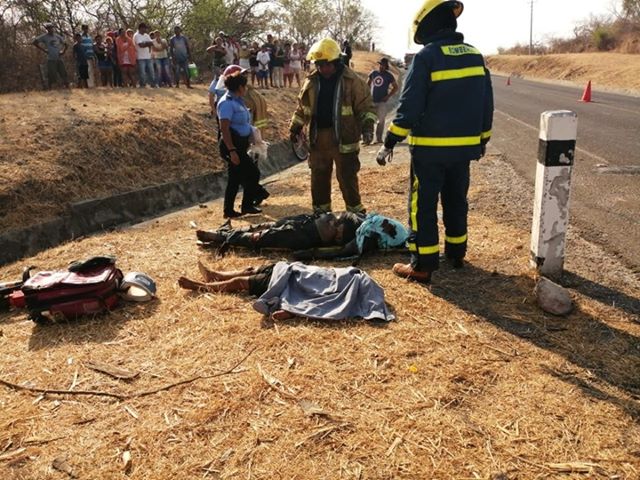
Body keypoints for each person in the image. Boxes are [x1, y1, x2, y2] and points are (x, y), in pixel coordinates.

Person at [376, 0, 494, 284]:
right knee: (456, 200)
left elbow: (409, 107)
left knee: (423, 206)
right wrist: (482, 139)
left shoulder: (427, 57)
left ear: (427, 26)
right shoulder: (475, 55)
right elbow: (486, 103)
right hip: (463, 150)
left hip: (430, 150)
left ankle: (422, 264)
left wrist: (390, 141)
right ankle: (456, 253)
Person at [289, 37, 377, 215]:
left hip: (344, 139)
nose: (322, 68)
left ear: (336, 62)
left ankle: (355, 214)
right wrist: (295, 126)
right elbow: (302, 108)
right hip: (318, 139)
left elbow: (366, 107)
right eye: (318, 64)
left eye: (325, 64)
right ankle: (322, 216)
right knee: (319, 177)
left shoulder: (352, 81)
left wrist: (367, 127)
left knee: (347, 177)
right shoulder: (311, 81)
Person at [178, 261, 394, 322]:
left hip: (289, 280)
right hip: (293, 270)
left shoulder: (348, 290)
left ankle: (200, 286)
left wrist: (292, 311)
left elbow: (318, 303)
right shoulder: (355, 277)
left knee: (241, 282)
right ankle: (215, 276)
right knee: (255, 269)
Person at [196, 210, 408, 260]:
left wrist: (308, 253)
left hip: (311, 223)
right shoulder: (365, 232)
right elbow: (341, 251)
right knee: (269, 232)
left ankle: (221, 235)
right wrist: (308, 254)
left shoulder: (368, 224)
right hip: (310, 231)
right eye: (338, 232)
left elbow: (340, 249)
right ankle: (221, 236)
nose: (337, 236)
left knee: (273, 228)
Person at [217, 70, 263, 218]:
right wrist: (232, 151)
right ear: (239, 87)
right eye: (244, 86)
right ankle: (246, 206)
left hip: (240, 145)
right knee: (253, 173)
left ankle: (229, 210)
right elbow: (224, 128)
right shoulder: (226, 103)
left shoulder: (238, 101)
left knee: (235, 179)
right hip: (233, 145)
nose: (246, 89)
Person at [367, 58, 399, 144]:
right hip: (372, 100)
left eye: (383, 65)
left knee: (381, 121)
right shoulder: (374, 73)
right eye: (380, 65)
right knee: (369, 119)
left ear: (386, 66)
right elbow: (367, 84)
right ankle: (368, 138)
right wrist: (367, 95)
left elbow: (396, 87)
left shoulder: (389, 75)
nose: (381, 67)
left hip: (382, 102)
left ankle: (379, 139)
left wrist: (388, 96)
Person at [32, 23, 68, 89]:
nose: (50, 29)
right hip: (51, 59)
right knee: (51, 74)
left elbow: (66, 44)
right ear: (47, 29)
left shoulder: (57, 36)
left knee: (63, 73)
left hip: (59, 58)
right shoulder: (44, 36)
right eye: (48, 28)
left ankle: (67, 87)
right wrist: (44, 50)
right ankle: (50, 89)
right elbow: (34, 42)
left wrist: (63, 51)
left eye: (51, 28)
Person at [133, 23, 156, 87]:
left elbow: (151, 43)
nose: (146, 29)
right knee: (142, 72)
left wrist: (145, 43)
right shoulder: (136, 35)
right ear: (141, 28)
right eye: (144, 28)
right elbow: (141, 45)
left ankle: (152, 84)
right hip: (140, 57)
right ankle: (142, 84)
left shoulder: (146, 35)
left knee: (151, 71)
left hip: (148, 56)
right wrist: (147, 44)